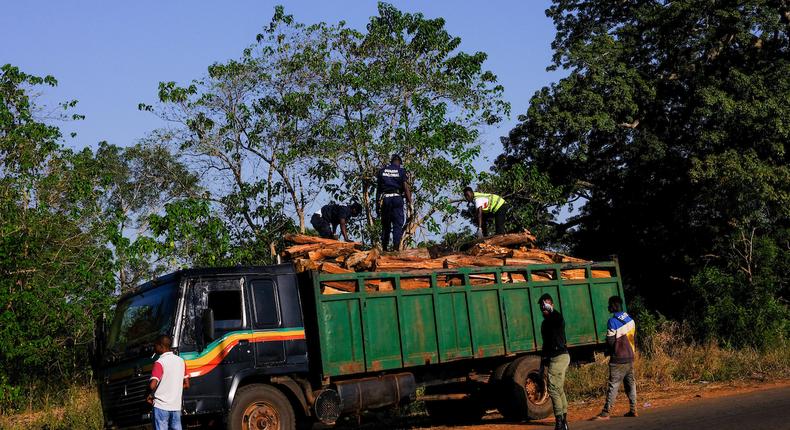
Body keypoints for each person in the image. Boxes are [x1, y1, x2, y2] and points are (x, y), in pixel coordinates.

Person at [593, 296, 638, 420]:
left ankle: (606, 412)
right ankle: (633, 409)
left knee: (613, 385)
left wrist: (609, 352)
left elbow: (610, 341)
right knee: (630, 383)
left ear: (613, 306)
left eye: (609, 304)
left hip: (618, 358)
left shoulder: (612, 321)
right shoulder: (630, 319)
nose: (608, 307)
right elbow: (634, 338)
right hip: (630, 357)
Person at [539, 293, 570, 430]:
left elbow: (557, 318)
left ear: (551, 305)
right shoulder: (544, 324)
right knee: (558, 389)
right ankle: (564, 420)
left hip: (560, 356)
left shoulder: (557, 319)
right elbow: (545, 345)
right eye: (541, 307)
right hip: (553, 357)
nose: (543, 309)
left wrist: (551, 309)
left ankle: (559, 423)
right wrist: (542, 364)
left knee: (552, 389)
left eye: (545, 305)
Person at [147, 334, 189, 430]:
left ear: (161, 346)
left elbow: (152, 386)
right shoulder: (181, 361)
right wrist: (174, 388)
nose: (154, 348)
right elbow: (187, 384)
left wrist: (151, 395)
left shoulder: (159, 362)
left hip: (161, 406)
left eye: (155, 346)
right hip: (176, 406)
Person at [376, 154, 412, 251]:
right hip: (397, 199)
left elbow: (378, 190)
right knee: (397, 224)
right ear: (399, 162)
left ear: (391, 162)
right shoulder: (401, 171)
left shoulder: (382, 171)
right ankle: (396, 248)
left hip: (385, 199)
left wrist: (377, 205)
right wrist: (410, 202)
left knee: (386, 225)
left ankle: (384, 248)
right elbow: (405, 187)